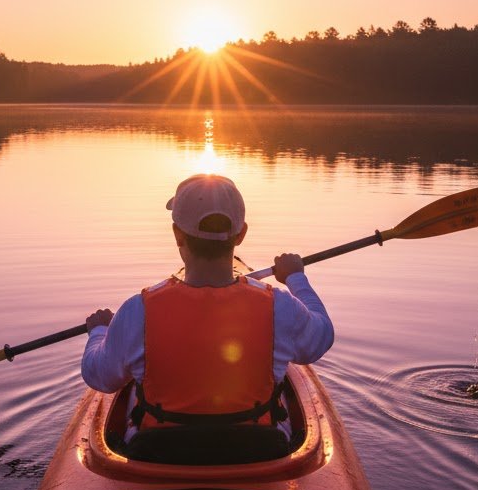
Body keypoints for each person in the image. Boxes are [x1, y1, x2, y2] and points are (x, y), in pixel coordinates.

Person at [82, 173, 334, 454]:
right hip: (257, 451)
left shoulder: (136, 311)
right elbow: (322, 336)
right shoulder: (280, 306)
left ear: (177, 234)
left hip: (159, 454)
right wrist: (296, 278)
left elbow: (100, 378)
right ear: (241, 234)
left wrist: (100, 332)